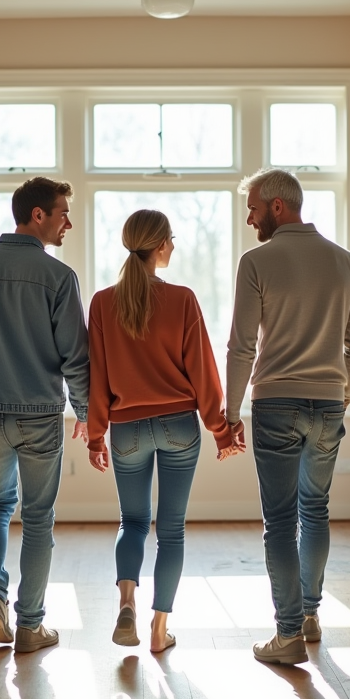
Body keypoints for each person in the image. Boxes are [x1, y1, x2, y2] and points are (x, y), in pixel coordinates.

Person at [226, 168, 350, 666]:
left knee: (281, 522)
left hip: (276, 405)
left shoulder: (256, 262)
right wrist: (341, 395)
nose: (250, 218)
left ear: (278, 207)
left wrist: (229, 409)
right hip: (328, 405)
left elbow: (242, 346)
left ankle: (287, 635)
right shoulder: (345, 262)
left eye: (254, 208)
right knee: (316, 510)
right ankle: (309, 614)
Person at [0, 176, 90, 654]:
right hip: (40, 416)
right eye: (63, 212)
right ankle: (30, 625)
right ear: (38, 215)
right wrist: (86, 413)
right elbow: (74, 356)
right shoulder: (58, 277)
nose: (69, 221)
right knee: (38, 517)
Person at [87, 209, 241, 654]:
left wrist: (97, 435)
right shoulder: (184, 300)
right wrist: (220, 430)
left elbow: (97, 377)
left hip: (126, 430)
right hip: (178, 426)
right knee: (170, 530)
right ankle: (158, 630)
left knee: (132, 522)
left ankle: (127, 601)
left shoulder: (101, 303)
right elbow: (203, 372)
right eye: (170, 239)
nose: (173, 246)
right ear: (159, 247)